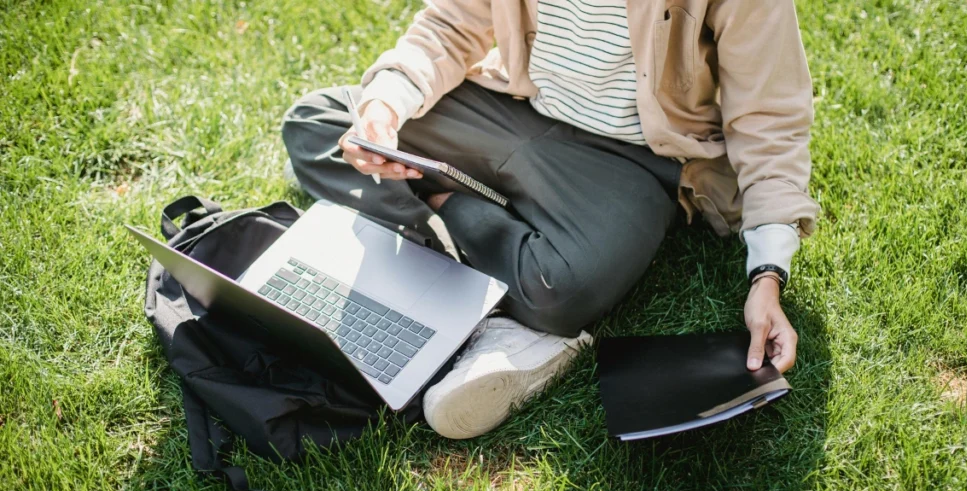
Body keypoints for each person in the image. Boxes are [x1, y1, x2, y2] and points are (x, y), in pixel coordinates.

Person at [281, 0, 819, 439]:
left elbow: (769, 117)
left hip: (633, 160)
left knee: (558, 289)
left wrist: (766, 276)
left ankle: (443, 210)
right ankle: (488, 302)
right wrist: (386, 108)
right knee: (320, 123)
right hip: (515, 109)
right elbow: (451, 24)